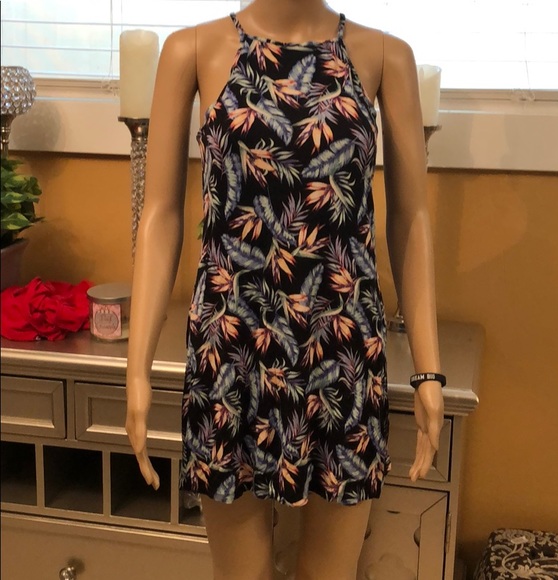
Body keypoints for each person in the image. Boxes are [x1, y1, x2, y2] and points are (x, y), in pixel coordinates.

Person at [125, 1, 444, 578]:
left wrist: (428, 372)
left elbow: (411, 219)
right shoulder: (191, 50)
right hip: (231, 353)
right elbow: (161, 215)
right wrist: (137, 370)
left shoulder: (384, 57)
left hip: (342, 354)